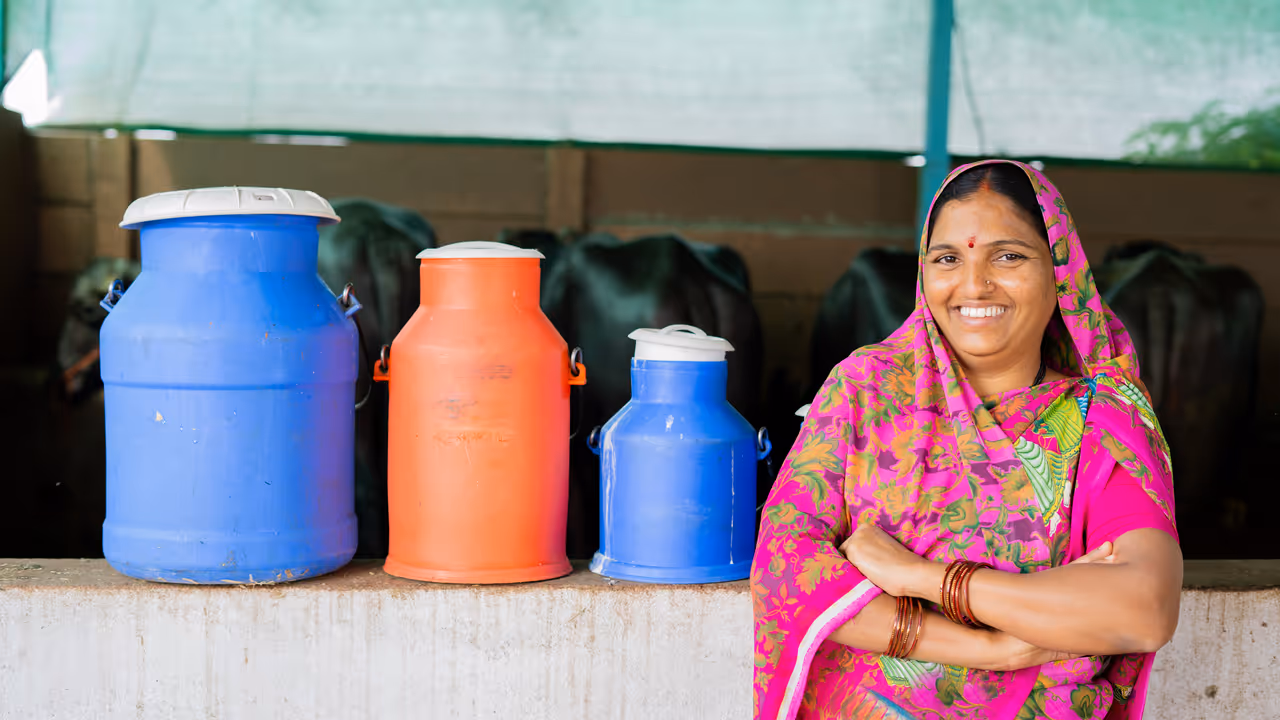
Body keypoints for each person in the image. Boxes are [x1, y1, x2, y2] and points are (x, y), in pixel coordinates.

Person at [752, 160, 1182, 720]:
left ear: (1060, 274)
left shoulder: (1104, 417)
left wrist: (920, 578)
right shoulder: (865, 390)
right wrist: (991, 648)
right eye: (948, 259)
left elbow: (1143, 608)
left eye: (1008, 256)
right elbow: (787, 570)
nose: (974, 284)